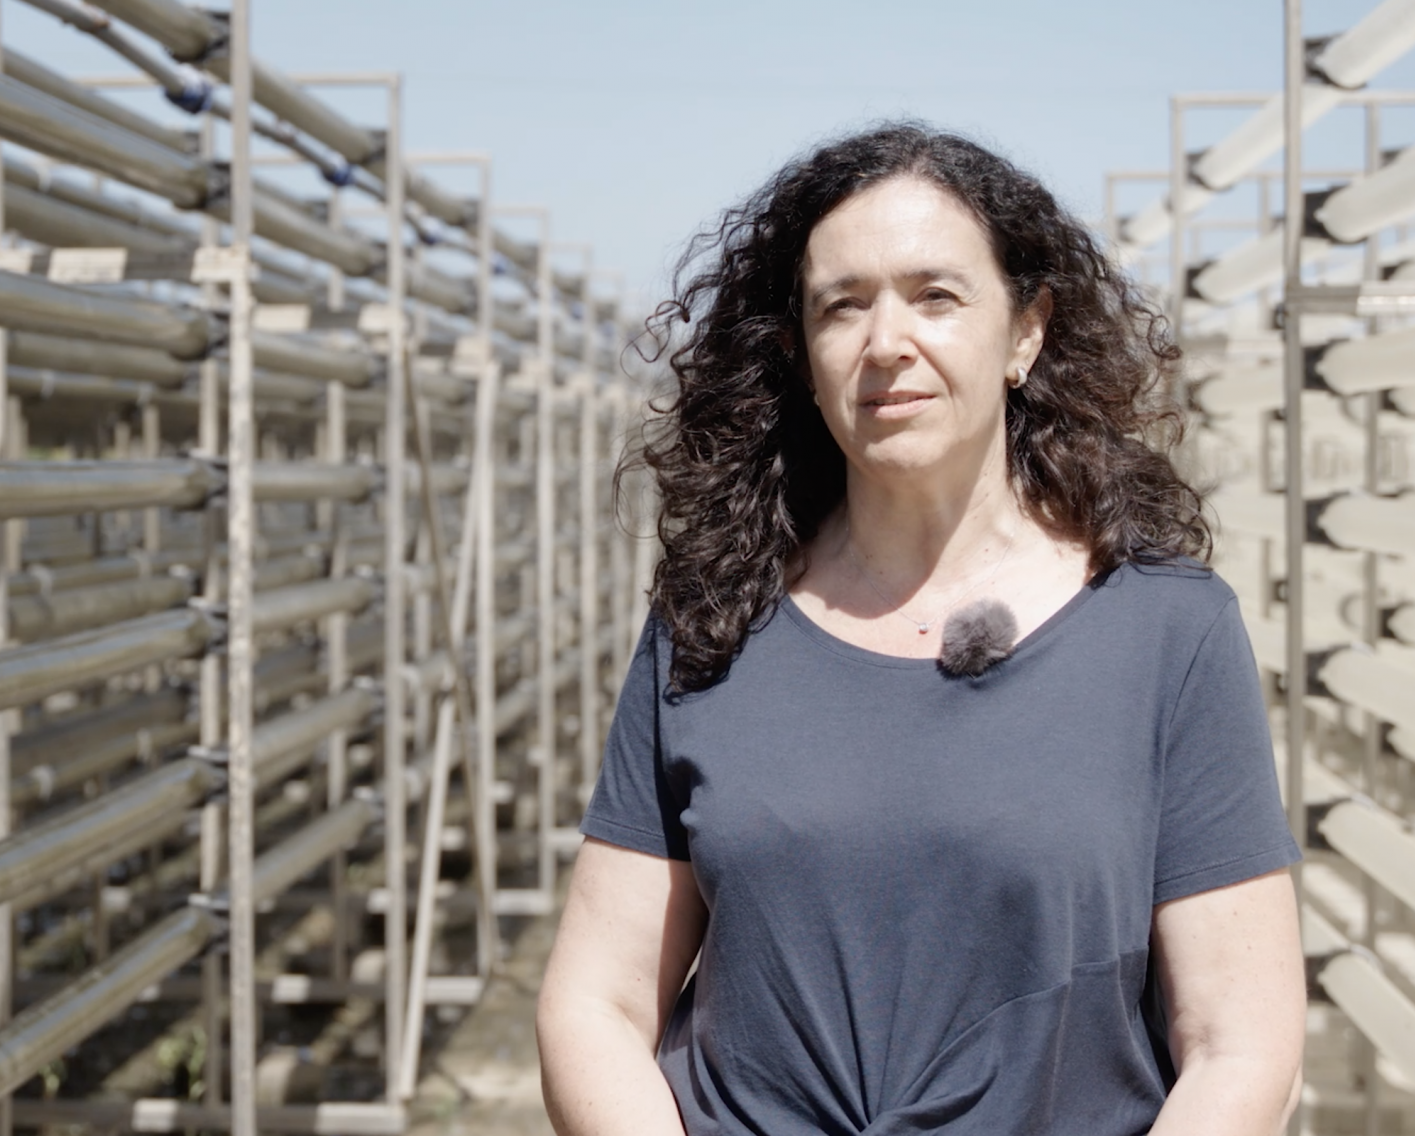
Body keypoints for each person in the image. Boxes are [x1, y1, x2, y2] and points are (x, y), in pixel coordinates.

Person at [535, 122, 1305, 1136]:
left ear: (1025, 330)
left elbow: (1239, 1043)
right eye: (840, 306)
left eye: (934, 296)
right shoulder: (709, 624)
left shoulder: (1164, 630)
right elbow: (595, 1000)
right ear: (799, 356)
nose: (884, 342)